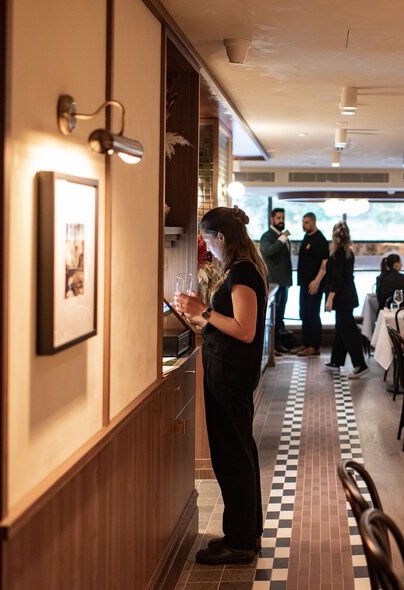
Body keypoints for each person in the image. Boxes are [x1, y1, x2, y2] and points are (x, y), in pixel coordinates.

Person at [174, 206, 267, 565]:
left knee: (232, 458)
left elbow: (245, 330)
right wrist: (200, 317)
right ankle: (243, 534)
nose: (206, 246)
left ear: (221, 237)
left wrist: (205, 312)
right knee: (238, 453)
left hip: (231, 375)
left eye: (206, 239)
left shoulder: (242, 272)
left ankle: (241, 542)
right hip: (227, 371)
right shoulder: (240, 269)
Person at [324, 221, 369, 379]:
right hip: (347, 296)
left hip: (342, 297)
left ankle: (360, 364)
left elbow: (337, 279)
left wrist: (330, 298)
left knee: (347, 330)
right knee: (342, 328)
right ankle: (336, 361)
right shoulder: (348, 252)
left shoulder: (339, 253)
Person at [296, 212, 329, 357]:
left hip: (314, 284)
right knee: (303, 313)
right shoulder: (306, 237)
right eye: (303, 222)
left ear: (314, 222)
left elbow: (325, 262)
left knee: (313, 314)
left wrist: (316, 281)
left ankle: (314, 346)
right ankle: (306, 343)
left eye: (307, 222)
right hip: (304, 283)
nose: (305, 225)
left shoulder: (319, 239)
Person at [259, 208, 292, 348]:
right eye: (278, 218)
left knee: (280, 315)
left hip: (284, 282)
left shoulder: (280, 235)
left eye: (282, 218)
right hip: (274, 282)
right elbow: (268, 251)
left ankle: (278, 344)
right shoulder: (267, 236)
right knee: (273, 316)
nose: (281, 221)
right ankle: (272, 347)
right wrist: (283, 238)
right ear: (272, 219)